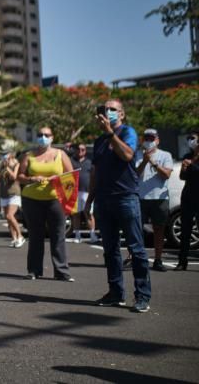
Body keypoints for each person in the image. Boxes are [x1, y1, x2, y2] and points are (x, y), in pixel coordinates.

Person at [86, 99, 151, 313]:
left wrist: (110, 133)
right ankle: (116, 293)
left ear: (121, 114)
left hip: (125, 198)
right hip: (103, 200)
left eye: (113, 109)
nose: (109, 112)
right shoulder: (98, 142)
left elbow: (127, 155)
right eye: (106, 109)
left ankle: (142, 296)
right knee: (110, 250)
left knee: (136, 249)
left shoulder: (127, 133)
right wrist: (89, 201)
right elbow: (95, 173)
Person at [18, 126, 74, 281]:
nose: (43, 137)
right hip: (32, 199)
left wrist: (56, 180)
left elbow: (71, 175)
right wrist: (31, 179)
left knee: (58, 235)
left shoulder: (60, 154)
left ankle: (61, 271)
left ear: (52, 138)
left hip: (55, 199)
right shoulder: (28, 155)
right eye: (40, 134)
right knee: (35, 236)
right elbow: (19, 176)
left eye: (46, 135)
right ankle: (34, 270)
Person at [131, 129, 173, 272]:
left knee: (159, 229)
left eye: (152, 138)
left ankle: (158, 260)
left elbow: (166, 175)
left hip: (159, 198)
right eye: (146, 138)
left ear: (157, 140)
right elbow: (134, 174)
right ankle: (136, 258)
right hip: (141, 197)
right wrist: (144, 161)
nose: (149, 141)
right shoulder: (136, 154)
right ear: (142, 140)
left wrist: (153, 163)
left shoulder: (165, 155)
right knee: (137, 229)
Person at [176, 130, 199, 271]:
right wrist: (184, 168)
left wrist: (193, 165)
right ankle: (182, 261)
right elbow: (182, 177)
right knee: (185, 230)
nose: (190, 140)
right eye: (189, 138)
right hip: (188, 196)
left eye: (193, 138)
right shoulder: (187, 156)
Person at [70, 143, 97, 243]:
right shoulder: (71, 161)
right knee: (76, 214)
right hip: (74, 192)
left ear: (85, 151)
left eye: (83, 149)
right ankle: (77, 235)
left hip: (87, 192)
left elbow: (94, 176)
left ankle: (92, 235)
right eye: (79, 149)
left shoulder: (89, 162)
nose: (80, 151)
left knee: (88, 213)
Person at [0, 150, 24, 248]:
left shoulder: (16, 163)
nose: (3, 156)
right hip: (4, 193)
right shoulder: (1, 165)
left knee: (10, 215)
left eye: (5, 154)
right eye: (2, 154)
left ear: (10, 154)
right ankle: (14, 239)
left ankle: (20, 236)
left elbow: (14, 177)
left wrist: (7, 168)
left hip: (14, 193)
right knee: (8, 219)